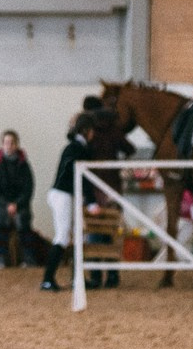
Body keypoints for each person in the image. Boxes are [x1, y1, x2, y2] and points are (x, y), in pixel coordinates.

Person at [82, 96, 136, 288]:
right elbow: (130, 148)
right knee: (113, 231)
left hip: (92, 187)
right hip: (113, 186)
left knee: (94, 230)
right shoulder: (115, 130)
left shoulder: (89, 131)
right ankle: (113, 276)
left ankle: (95, 275)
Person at [40, 112, 98, 292]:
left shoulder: (77, 148)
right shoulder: (75, 149)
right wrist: (91, 201)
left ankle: (76, 278)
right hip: (63, 195)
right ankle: (47, 279)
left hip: (69, 195)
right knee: (63, 236)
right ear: (87, 130)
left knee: (76, 236)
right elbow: (80, 176)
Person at [0, 130, 35, 268]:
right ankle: (0, 256)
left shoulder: (24, 164)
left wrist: (16, 204)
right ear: (2, 144)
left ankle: (28, 257)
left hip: (19, 205)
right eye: (6, 143)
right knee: (2, 221)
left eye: (12, 143)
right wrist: (6, 205)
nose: (9, 146)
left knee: (23, 221)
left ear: (17, 145)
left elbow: (28, 189)